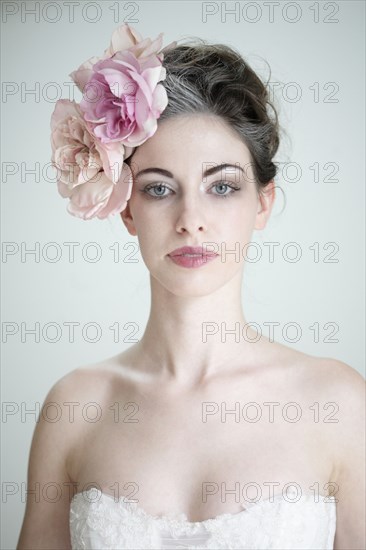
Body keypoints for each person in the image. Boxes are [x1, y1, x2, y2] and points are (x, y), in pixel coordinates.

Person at [17, 23, 365, 550]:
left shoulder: (338, 403)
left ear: (263, 204)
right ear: (128, 211)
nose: (190, 220)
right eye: (160, 189)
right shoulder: (75, 407)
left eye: (221, 186)